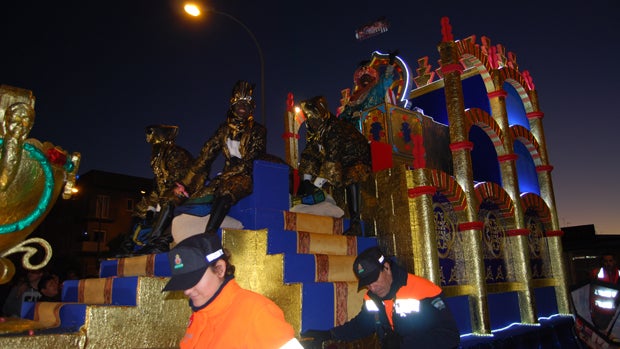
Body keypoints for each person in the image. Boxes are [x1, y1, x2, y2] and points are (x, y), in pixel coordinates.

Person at [161, 233, 303, 349]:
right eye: (183, 283)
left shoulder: (257, 312)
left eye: (193, 280)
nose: (187, 291)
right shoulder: (201, 314)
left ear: (220, 269)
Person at [300, 246, 460, 349]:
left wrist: (404, 345)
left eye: (374, 280)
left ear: (387, 268)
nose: (372, 288)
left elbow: (449, 337)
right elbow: (361, 325)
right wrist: (330, 335)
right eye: (367, 284)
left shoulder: (424, 290)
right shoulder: (372, 298)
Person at [173, 80, 267, 235]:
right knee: (199, 196)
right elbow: (206, 155)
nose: (242, 108)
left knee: (225, 191)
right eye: (239, 104)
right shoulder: (224, 129)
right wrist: (185, 183)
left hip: (247, 176)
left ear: (251, 108)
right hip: (226, 175)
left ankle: (209, 234)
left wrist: (224, 176)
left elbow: (252, 160)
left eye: (246, 105)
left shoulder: (258, 130)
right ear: (233, 106)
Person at [296, 95, 371, 236]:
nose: (313, 122)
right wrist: (306, 181)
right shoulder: (316, 132)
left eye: (315, 118)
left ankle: (355, 223)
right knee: (311, 155)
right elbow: (309, 154)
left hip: (356, 160)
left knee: (352, 176)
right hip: (338, 162)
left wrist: (317, 185)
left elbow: (332, 158)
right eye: (310, 119)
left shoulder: (335, 128)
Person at [120, 124, 194, 255]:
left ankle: (156, 243)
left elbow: (178, 178)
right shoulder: (158, 155)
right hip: (165, 192)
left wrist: (162, 197)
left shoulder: (175, 152)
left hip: (184, 191)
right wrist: (151, 206)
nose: (148, 137)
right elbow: (158, 184)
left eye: (151, 133)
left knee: (169, 198)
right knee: (141, 207)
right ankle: (128, 245)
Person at [337, 52, 398, 131]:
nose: (365, 79)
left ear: (372, 78)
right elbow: (344, 115)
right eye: (363, 78)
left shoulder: (376, 90)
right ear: (359, 81)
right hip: (355, 130)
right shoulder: (355, 97)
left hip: (374, 126)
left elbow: (386, 79)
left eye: (367, 77)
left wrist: (391, 63)